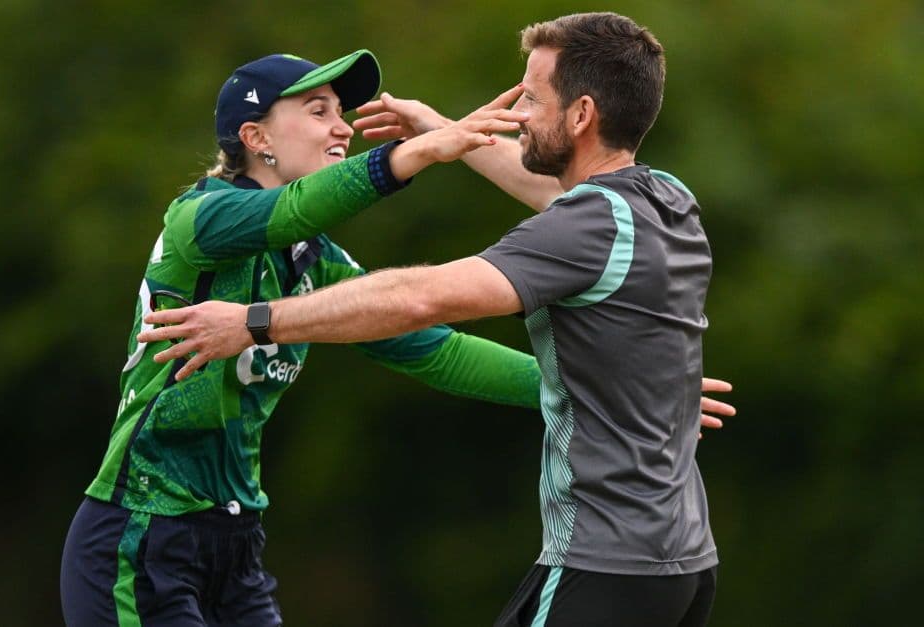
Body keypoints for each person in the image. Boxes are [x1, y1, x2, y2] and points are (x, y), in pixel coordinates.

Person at [140, 12, 727, 627]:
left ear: (580, 116)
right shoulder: (664, 198)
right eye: (319, 111)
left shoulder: (586, 224)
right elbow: (554, 199)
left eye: (530, 96)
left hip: (609, 562)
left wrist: (257, 322)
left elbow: (421, 300)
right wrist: (443, 130)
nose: (518, 112)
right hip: (683, 565)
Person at [59, 48, 542, 626]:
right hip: (141, 534)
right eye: (319, 111)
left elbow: (438, 351)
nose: (342, 127)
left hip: (236, 547)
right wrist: (420, 150)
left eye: (341, 111)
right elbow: (292, 210)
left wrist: (586, 391)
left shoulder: (315, 262)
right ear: (255, 136)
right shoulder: (199, 219)